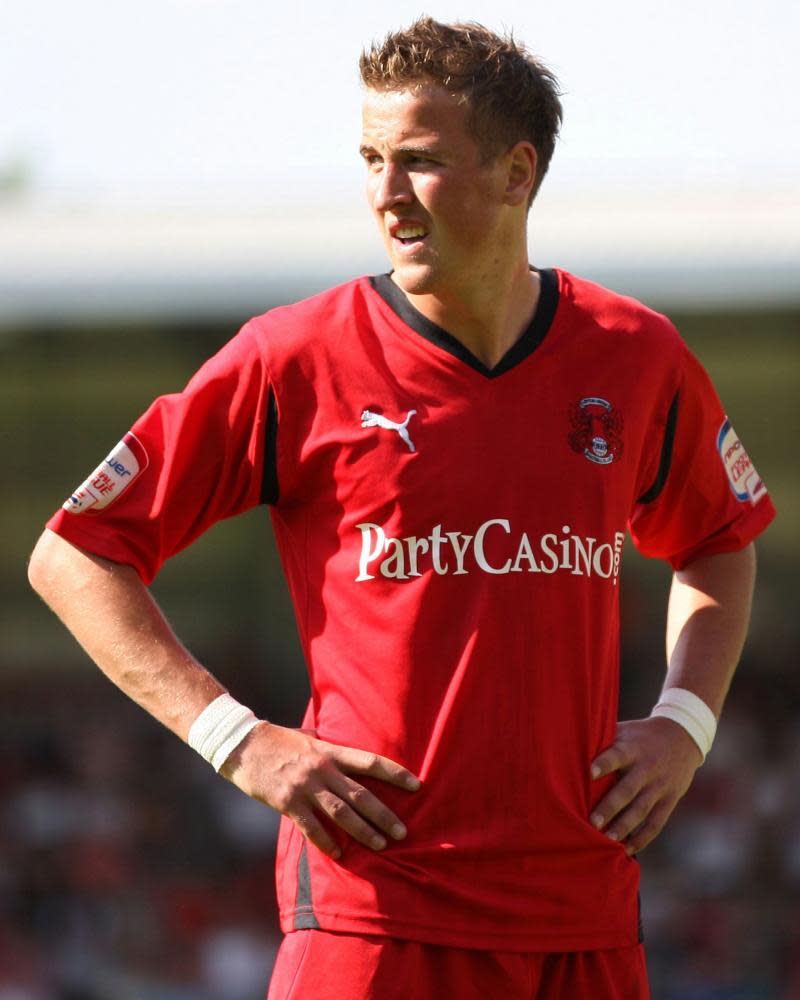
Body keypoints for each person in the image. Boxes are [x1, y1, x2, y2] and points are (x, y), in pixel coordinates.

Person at [28, 17, 775, 1000]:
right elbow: (73, 553)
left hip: (581, 910)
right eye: (370, 159)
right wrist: (237, 739)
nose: (383, 194)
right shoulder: (291, 358)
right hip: (373, 910)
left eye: (417, 161)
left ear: (516, 174)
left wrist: (683, 721)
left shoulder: (633, 356)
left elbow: (717, 539)